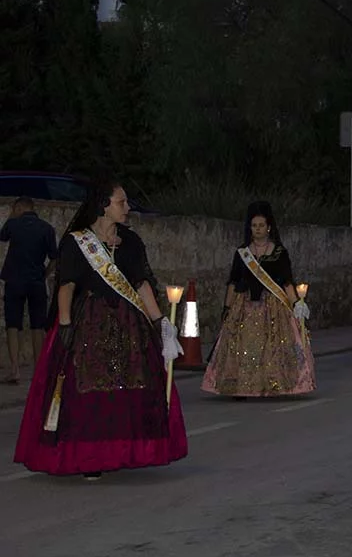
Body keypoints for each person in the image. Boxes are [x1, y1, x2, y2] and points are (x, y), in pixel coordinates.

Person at [14, 178, 187, 479]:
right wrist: (65, 324)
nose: (128, 207)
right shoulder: (77, 242)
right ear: (103, 206)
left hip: (130, 325)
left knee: (132, 390)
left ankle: (126, 451)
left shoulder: (131, 242)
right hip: (87, 325)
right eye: (122, 202)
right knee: (87, 393)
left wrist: (161, 324)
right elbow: (66, 286)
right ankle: (90, 457)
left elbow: (141, 285)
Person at [202, 201, 314, 398]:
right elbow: (233, 282)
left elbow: (287, 282)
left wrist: (298, 304)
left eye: (261, 225)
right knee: (242, 347)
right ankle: (240, 387)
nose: (258, 229)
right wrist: (227, 308)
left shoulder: (279, 252)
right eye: (254, 226)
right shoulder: (242, 253)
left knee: (272, 348)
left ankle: (274, 384)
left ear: (269, 226)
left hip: (273, 307)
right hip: (244, 306)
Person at [1, 197, 58, 384]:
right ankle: (38, 370)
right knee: (38, 326)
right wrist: (44, 274)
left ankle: (15, 369)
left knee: (13, 325)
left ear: (19, 207)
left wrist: (11, 216)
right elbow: (54, 258)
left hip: (15, 280)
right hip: (36, 282)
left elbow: (2, 236)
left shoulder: (13, 224)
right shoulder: (47, 228)